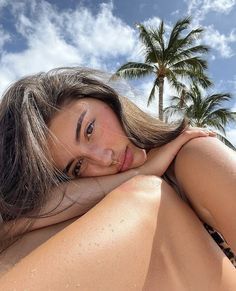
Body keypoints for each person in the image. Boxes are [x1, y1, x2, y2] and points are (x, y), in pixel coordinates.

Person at [0, 67, 236, 290]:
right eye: (78, 166)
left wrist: (141, 179)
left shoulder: (193, 155)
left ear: (107, 100)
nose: (104, 159)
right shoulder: (97, 206)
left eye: (89, 130)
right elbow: (12, 227)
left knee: (146, 194)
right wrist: (138, 173)